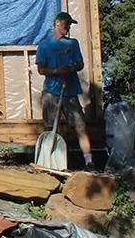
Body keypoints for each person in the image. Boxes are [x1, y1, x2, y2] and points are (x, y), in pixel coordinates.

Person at [35, 11, 94, 170]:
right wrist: (56, 71)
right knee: (50, 128)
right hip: (51, 93)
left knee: (80, 126)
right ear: (58, 23)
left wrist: (72, 67)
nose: (68, 27)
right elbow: (41, 69)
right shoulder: (44, 45)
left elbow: (80, 64)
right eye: (67, 24)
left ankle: (89, 162)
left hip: (70, 92)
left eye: (69, 25)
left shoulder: (72, 44)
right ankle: (49, 162)